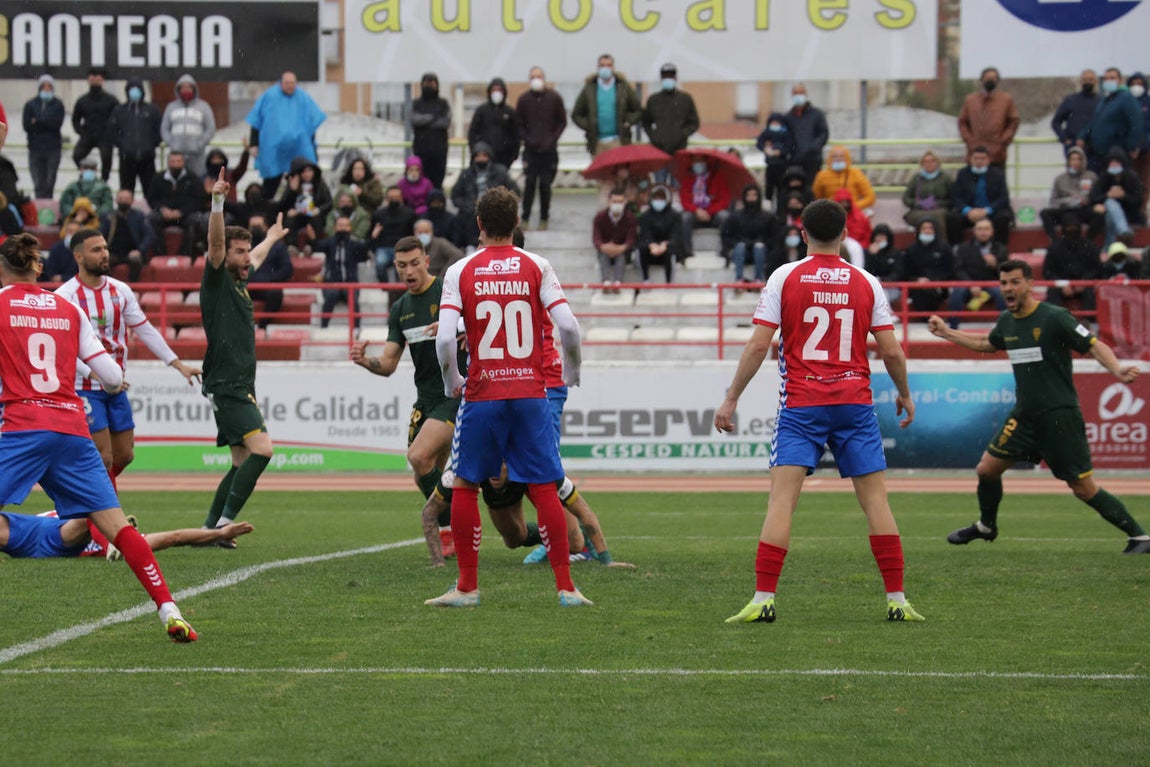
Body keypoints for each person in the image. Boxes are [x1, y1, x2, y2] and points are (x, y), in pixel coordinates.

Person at [714, 198, 922, 624]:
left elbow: (758, 345)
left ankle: (763, 599)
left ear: (802, 233)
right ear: (846, 235)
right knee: (876, 503)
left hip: (803, 404)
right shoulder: (866, 281)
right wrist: (903, 393)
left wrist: (732, 396)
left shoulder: (785, 276)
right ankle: (897, 600)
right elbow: (892, 352)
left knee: (782, 502)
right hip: (854, 403)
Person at [0, 232, 197, 641]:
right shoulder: (68, 308)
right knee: (119, 528)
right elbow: (111, 376)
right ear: (38, 266)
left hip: (23, 425)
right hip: (72, 429)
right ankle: (169, 609)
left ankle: (32, 535)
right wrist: (105, 386)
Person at [427, 187, 589, 608]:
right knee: (543, 486)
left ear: (478, 224)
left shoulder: (460, 270)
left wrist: (452, 383)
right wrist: (570, 374)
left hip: (483, 395)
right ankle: (566, 588)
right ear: (516, 223)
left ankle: (467, 587)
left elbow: (445, 338)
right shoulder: (538, 265)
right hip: (531, 392)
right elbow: (569, 328)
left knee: (464, 484)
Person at [927, 260, 1149, 554]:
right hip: (1024, 416)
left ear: (1030, 284)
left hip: (1059, 416)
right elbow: (987, 343)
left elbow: (1094, 344)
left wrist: (1117, 370)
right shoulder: (1007, 320)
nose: (1008, 288)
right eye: (1004, 282)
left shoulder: (1055, 317)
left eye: (1015, 282)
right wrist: (946, 333)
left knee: (1082, 487)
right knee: (987, 470)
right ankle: (986, 526)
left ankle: (1139, 537)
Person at [56, 228, 200, 485]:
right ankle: (107, 521)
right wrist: (92, 372)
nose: (105, 254)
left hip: (115, 386)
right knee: (104, 457)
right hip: (83, 387)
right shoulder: (65, 297)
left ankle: (85, 499)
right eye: (96, 250)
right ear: (78, 257)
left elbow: (145, 329)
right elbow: (62, 349)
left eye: (105, 248)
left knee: (125, 454)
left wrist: (177, 364)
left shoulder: (120, 291)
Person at [198, 169, 286, 538]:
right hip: (227, 384)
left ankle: (207, 529)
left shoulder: (240, 278)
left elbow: (256, 257)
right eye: (239, 251)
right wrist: (217, 202)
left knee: (241, 461)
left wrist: (270, 239)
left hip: (237, 384)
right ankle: (223, 522)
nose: (246, 257)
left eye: (246, 251)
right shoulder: (218, 278)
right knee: (263, 450)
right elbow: (218, 247)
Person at [350, 236, 460, 507]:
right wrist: (365, 360)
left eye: (414, 263)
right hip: (425, 400)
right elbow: (388, 363)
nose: (409, 272)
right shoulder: (400, 309)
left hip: (455, 394)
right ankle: (456, 522)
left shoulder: (448, 293)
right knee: (424, 473)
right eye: (401, 265)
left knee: (419, 457)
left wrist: (458, 326)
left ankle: (451, 526)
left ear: (426, 261)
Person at [0, 511, 253, 560]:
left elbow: (174, 537)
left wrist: (217, 534)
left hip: (62, 544)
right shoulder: (96, 522)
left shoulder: (127, 544)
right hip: (40, 532)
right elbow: (90, 517)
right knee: (90, 512)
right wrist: (111, 543)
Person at [247, 71, 327, 198]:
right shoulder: (269, 96)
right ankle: (267, 212)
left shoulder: (303, 98)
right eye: (287, 83)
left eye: (292, 83)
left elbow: (311, 123)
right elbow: (256, 121)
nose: (290, 86)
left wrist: (312, 146)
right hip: (274, 151)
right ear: (281, 82)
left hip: (299, 149)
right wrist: (254, 143)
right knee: (271, 185)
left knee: (305, 184)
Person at [516, 66, 567, 230]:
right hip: (531, 151)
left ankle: (544, 218)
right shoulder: (524, 99)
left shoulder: (554, 98)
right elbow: (519, 124)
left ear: (544, 78)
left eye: (538, 76)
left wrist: (552, 139)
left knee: (546, 185)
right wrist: (528, 139)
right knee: (529, 184)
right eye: (532, 77)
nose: (535, 79)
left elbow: (562, 121)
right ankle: (525, 218)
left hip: (549, 151)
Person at [572, 53, 642, 157]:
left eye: (608, 65)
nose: (605, 68)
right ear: (598, 68)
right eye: (602, 65)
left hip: (618, 141)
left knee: (619, 172)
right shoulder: (589, 88)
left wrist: (628, 121)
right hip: (597, 142)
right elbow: (576, 114)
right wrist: (589, 125)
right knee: (598, 172)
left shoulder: (623, 87)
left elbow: (638, 110)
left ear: (613, 68)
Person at [1078, 67, 1143, 176]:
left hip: (1118, 153)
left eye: (1112, 78)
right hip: (1099, 153)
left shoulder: (1127, 98)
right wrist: (1083, 136)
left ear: (1120, 81)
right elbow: (1095, 121)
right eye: (1106, 78)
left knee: (1117, 184)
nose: (1109, 81)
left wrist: (1133, 146)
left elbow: (1136, 122)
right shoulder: (1105, 99)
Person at [451, 142, 519, 247]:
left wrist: (502, 203)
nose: (481, 159)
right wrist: (467, 206)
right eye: (478, 156)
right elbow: (455, 195)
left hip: (495, 210)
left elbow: (515, 190)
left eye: (484, 155)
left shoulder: (500, 172)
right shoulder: (467, 173)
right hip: (470, 212)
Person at [642, 62, 700, 181]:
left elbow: (694, 123)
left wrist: (682, 134)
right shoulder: (653, 100)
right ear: (661, 78)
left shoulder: (685, 99)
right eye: (665, 76)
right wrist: (654, 136)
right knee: (660, 188)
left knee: (677, 188)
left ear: (676, 78)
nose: (668, 79)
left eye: (671, 76)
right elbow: (646, 122)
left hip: (679, 152)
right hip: (659, 152)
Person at [947, 146, 1014, 246]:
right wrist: (967, 210)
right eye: (976, 158)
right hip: (970, 213)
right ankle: (956, 251)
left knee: (1003, 218)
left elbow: (1003, 198)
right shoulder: (963, 173)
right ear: (970, 159)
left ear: (988, 160)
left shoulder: (998, 174)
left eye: (982, 159)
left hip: (991, 212)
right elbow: (956, 197)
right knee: (952, 218)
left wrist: (986, 210)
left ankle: (999, 251)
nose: (979, 162)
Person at [947, 218, 1007, 328]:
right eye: (980, 229)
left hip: (991, 283)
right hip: (968, 283)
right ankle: (953, 328)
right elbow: (958, 270)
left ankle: (1006, 327)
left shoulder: (1001, 248)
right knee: (957, 293)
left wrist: (995, 265)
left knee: (1001, 293)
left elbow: (1006, 272)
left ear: (992, 231)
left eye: (986, 229)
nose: (983, 232)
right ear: (974, 231)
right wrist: (971, 284)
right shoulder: (963, 248)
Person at [312, 214, 367, 329]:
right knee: (331, 294)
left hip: (351, 283)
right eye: (340, 225)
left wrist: (374, 237)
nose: (343, 228)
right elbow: (316, 246)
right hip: (332, 283)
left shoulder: (355, 244)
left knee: (352, 296)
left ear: (350, 228)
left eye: (346, 226)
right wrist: (312, 238)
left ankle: (356, 329)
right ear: (335, 228)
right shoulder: (329, 243)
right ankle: (323, 327)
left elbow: (365, 252)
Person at [109, 78, 162, 195]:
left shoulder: (152, 110)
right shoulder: (119, 110)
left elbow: (159, 130)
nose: (134, 92)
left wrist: (151, 145)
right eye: (131, 90)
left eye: (137, 89)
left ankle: (153, 213)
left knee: (150, 190)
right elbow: (112, 132)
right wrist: (123, 145)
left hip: (147, 158)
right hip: (126, 158)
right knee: (126, 190)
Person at [958, 67, 1019, 168]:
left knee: (997, 182)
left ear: (998, 80)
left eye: (993, 78)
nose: (990, 81)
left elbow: (1013, 121)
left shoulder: (1006, 99)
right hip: (974, 154)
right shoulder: (970, 100)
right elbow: (962, 122)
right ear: (981, 80)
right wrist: (970, 141)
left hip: (997, 155)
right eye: (987, 78)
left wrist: (1003, 141)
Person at [145, 151, 204, 257]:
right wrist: (162, 209)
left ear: (183, 163)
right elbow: (151, 198)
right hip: (164, 214)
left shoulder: (192, 178)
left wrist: (181, 212)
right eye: (173, 161)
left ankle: (184, 255)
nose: (176, 164)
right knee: (150, 220)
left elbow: (197, 200)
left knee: (196, 220)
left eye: (178, 161)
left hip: (184, 215)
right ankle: (160, 254)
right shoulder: (158, 178)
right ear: (168, 162)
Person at [1039, 146, 1101, 241]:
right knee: (1044, 213)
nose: (1075, 163)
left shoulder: (1091, 177)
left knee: (1099, 215)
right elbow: (1053, 201)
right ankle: (1055, 242)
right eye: (1072, 159)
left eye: (1078, 159)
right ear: (1068, 161)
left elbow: (1096, 196)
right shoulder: (1060, 179)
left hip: (1083, 209)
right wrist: (1069, 201)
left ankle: (1087, 242)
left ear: (1083, 161)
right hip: (1065, 208)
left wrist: (1086, 200)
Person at [1042, 213, 1101, 312]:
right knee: (1052, 293)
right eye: (1069, 228)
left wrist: (1084, 281)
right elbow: (1047, 272)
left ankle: (1090, 323)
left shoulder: (1089, 246)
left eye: (1074, 228)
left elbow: (1097, 269)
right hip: (1061, 285)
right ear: (1064, 229)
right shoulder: (1055, 248)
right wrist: (1062, 284)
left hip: (1084, 284)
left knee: (1091, 293)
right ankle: (1056, 324)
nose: (1072, 231)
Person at [679, 152, 732, 262]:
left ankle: (725, 250)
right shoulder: (687, 179)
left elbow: (724, 201)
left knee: (725, 217)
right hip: (695, 214)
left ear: (706, 162)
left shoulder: (718, 177)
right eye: (695, 161)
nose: (698, 164)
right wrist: (697, 210)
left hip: (712, 214)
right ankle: (686, 251)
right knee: (684, 218)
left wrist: (709, 211)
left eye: (700, 161)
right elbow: (684, 201)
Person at [161, 74, 216, 176]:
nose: (186, 90)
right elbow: (164, 129)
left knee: (197, 182)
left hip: (197, 156)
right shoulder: (171, 107)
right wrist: (172, 144)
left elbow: (210, 129)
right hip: (176, 156)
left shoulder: (203, 107)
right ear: (178, 89)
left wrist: (199, 144)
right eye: (183, 88)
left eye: (189, 87)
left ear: (194, 89)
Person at [722, 183, 778, 284]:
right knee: (740, 247)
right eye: (748, 195)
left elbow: (774, 238)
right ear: (744, 197)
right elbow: (726, 236)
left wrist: (760, 242)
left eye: (754, 195)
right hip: (741, 252)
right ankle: (739, 280)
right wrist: (742, 243)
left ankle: (759, 280)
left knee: (759, 247)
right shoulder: (735, 217)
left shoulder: (768, 217)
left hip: (762, 252)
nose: (751, 198)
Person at [247, 213, 295, 329]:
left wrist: (269, 279)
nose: (256, 228)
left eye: (259, 225)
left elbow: (287, 269)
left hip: (267, 286)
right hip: (244, 286)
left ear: (266, 227)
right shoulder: (241, 246)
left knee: (275, 293)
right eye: (253, 226)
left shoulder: (277, 246)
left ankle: (262, 327)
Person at [1090, 147, 1145, 248]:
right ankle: (1123, 231)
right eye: (1112, 163)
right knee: (1110, 203)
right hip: (1105, 212)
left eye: (1117, 163)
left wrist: (1123, 196)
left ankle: (1109, 247)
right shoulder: (1103, 177)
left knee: (1111, 214)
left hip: (1129, 213)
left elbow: (1138, 200)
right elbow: (1094, 197)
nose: (1114, 166)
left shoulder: (1132, 177)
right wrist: (1107, 195)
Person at [71, 67, 118, 182]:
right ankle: (88, 174)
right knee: (77, 155)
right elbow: (75, 119)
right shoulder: (82, 100)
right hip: (88, 134)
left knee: (106, 158)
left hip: (105, 136)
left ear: (102, 80)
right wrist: (82, 132)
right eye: (92, 77)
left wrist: (112, 134)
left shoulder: (111, 100)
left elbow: (118, 118)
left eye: (98, 77)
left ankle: (103, 181)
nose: (95, 80)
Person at [23, 74, 66, 199]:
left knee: (49, 182)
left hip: (53, 148)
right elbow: (27, 126)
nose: (46, 90)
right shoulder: (31, 104)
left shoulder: (58, 105)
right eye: (44, 87)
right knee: (38, 182)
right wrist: (45, 122)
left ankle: (48, 206)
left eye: (49, 87)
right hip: (35, 148)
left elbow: (56, 125)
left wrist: (38, 121)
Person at [100, 188, 157, 282]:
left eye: (126, 199)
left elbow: (150, 235)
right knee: (102, 262)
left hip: (133, 252)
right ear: (116, 200)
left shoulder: (139, 216)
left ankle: (132, 288)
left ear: (132, 201)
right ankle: (109, 287)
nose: (123, 201)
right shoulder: (108, 216)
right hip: (113, 252)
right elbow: (100, 235)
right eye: (121, 198)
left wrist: (139, 250)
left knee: (135, 260)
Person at [903, 219, 954, 315]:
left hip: (938, 286)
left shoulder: (944, 248)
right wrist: (917, 280)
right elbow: (906, 272)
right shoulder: (911, 250)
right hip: (917, 286)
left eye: (930, 228)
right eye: (924, 228)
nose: (927, 230)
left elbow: (949, 270)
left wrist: (933, 280)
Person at [410, 73, 451, 190]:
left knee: (437, 181)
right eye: (426, 83)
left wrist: (425, 121)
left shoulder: (443, 103)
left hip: (439, 151)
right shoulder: (416, 103)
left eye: (432, 83)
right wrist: (433, 117)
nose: (429, 86)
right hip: (421, 149)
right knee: (422, 181)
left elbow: (445, 122)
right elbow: (415, 120)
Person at [902, 150, 953, 244]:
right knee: (922, 218)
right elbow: (906, 198)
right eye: (926, 161)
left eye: (932, 161)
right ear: (922, 164)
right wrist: (918, 203)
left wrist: (937, 203)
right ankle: (920, 245)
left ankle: (941, 245)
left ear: (937, 163)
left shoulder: (945, 178)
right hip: (919, 210)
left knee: (936, 217)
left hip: (939, 209)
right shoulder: (917, 178)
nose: (929, 164)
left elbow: (952, 198)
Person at [279, 156, 333, 242]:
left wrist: (318, 210)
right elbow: (282, 206)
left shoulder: (319, 183)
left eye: (310, 171)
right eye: (304, 171)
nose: (307, 174)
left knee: (317, 221)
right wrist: (292, 191)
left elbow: (329, 202)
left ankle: (312, 246)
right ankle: (292, 246)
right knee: (289, 221)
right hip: (297, 215)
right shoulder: (291, 184)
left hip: (314, 215)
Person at [468, 78, 520, 169]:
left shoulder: (510, 112)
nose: (497, 93)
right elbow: (472, 133)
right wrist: (475, 151)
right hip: (483, 158)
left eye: (499, 90)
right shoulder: (481, 111)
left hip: (504, 158)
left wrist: (514, 155)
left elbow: (516, 135)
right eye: (494, 90)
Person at [592, 188, 636, 293]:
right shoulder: (600, 217)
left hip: (623, 251)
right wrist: (605, 247)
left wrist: (620, 248)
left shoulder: (630, 218)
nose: (617, 204)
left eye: (620, 202)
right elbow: (596, 238)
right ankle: (606, 282)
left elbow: (631, 239)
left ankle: (617, 283)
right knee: (602, 255)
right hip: (605, 249)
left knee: (621, 257)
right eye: (614, 201)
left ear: (625, 202)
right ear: (609, 201)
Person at [369, 185, 416, 282]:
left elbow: (413, 234)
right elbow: (372, 234)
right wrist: (374, 238)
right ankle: (385, 288)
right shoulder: (378, 214)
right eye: (391, 197)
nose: (394, 199)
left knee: (400, 266)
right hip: (384, 247)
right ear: (386, 198)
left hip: (403, 248)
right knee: (380, 264)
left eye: (396, 197)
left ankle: (399, 289)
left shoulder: (409, 214)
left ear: (401, 198)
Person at [636, 184, 680, 285]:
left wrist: (665, 244)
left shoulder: (675, 216)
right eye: (656, 198)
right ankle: (645, 280)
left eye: (661, 198)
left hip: (666, 248)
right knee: (641, 249)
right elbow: (644, 234)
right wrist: (651, 244)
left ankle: (669, 283)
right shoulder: (645, 216)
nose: (658, 201)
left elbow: (676, 234)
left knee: (671, 252)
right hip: (651, 249)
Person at [785, 84, 829, 182]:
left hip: (813, 159)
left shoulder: (817, 114)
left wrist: (813, 147)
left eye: (801, 93)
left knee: (813, 187)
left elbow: (823, 134)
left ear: (806, 94)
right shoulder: (788, 116)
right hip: (795, 160)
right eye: (795, 93)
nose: (798, 96)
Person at [812, 145, 875, 212]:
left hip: (853, 211)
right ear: (830, 158)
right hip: (831, 211)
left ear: (847, 158)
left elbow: (870, 197)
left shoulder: (856, 173)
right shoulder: (822, 175)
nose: (838, 159)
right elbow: (817, 197)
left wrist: (853, 206)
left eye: (841, 156)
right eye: (834, 156)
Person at [1051, 70, 1099, 157]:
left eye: (1091, 79)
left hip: (1096, 149)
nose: (1087, 82)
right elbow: (1056, 122)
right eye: (1085, 80)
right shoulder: (1070, 100)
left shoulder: (1102, 101)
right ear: (1080, 82)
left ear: (1096, 81)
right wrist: (1065, 139)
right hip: (1074, 149)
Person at [755, 112, 796, 209]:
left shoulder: (786, 134)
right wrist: (765, 149)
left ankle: (780, 209)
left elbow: (789, 146)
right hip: (770, 165)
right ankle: (768, 207)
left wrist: (780, 152)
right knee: (769, 188)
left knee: (781, 189)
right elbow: (759, 143)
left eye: (777, 123)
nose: (774, 125)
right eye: (772, 123)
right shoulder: (766, 133)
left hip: (782, 165)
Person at [863, 223, 903, 305]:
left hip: (892, 288)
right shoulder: (867, 253)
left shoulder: (896, 253)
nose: (879, 239)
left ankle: (890, 315)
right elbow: (866, 272)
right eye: (877, 236)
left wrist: (883, 280)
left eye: (883, 236)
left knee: (883, 293)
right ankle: (891, 316)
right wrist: (872, 256)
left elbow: (898, 273)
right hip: (873, 287)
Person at [1129, 72, 1150, 200]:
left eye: (1140, 84)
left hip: (1146, 149)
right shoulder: (1125, 101)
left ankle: (1142, 212)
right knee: (1130, 182)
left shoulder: (1148, 102)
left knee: (1145, 183)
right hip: (1129, 150)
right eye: (1134, 83)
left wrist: (1142, 144)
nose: (1137, 86)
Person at [40, 219, 81, 283]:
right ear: (65, 232)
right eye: (70, 231)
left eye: (75, 231)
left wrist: (63, 277)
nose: (73, 234)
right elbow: (51, 273)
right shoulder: (56, 248)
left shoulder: (84, 250)